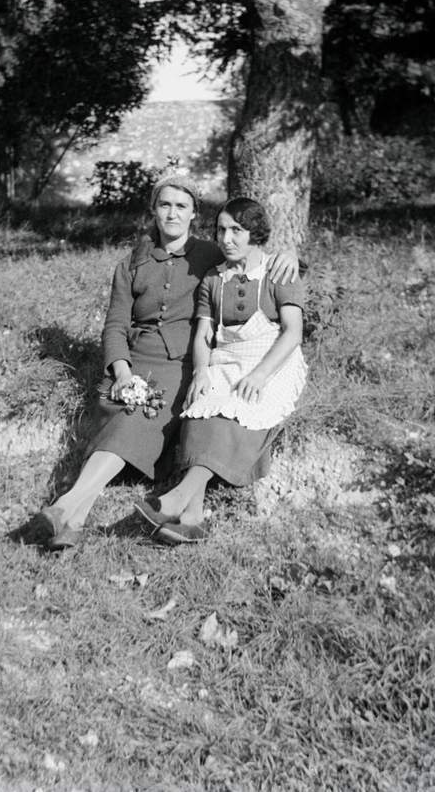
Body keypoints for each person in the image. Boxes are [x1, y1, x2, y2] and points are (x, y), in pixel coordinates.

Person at [37, 175, 299, 549]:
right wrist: (123, 371)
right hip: (136, 362)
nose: (172, 213)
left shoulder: (210, 253)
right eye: (165, 205)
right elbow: (114, 326)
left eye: (181, 206)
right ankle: (73, 516)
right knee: (119, 412)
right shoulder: (131, 265)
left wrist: (290, 257)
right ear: (153, 210)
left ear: (194, 214)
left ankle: (69, 508)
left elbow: (253, 255)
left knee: (134, 420)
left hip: (178, 365)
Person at [134, 196, 307, 544]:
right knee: (200, 408)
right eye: (222, 230)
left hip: (272, 360)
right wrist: (201, 371)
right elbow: (203, 334)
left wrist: (260, 376)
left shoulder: (277, 272)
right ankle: (193, 519)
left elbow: (293, 333)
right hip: (225, 358)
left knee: (238, 409)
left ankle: (177, 499)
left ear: (255, 234)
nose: (226, 239)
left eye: (237, 231)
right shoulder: (215, 278)